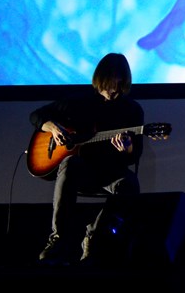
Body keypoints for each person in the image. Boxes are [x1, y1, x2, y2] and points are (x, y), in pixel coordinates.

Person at [31, 52, 144, 266]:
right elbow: (36, 116)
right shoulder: (79, 102)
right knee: (69, 163)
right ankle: (58, 240)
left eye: (119, 86)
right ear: (101, 79)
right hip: (83, 170)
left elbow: (135, 154)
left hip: (110, 171)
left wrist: (127, 148)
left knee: (129, 184)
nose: (114, 91)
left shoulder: (132, 110)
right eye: (110, 85)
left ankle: (93, 237)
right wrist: (53, 128)